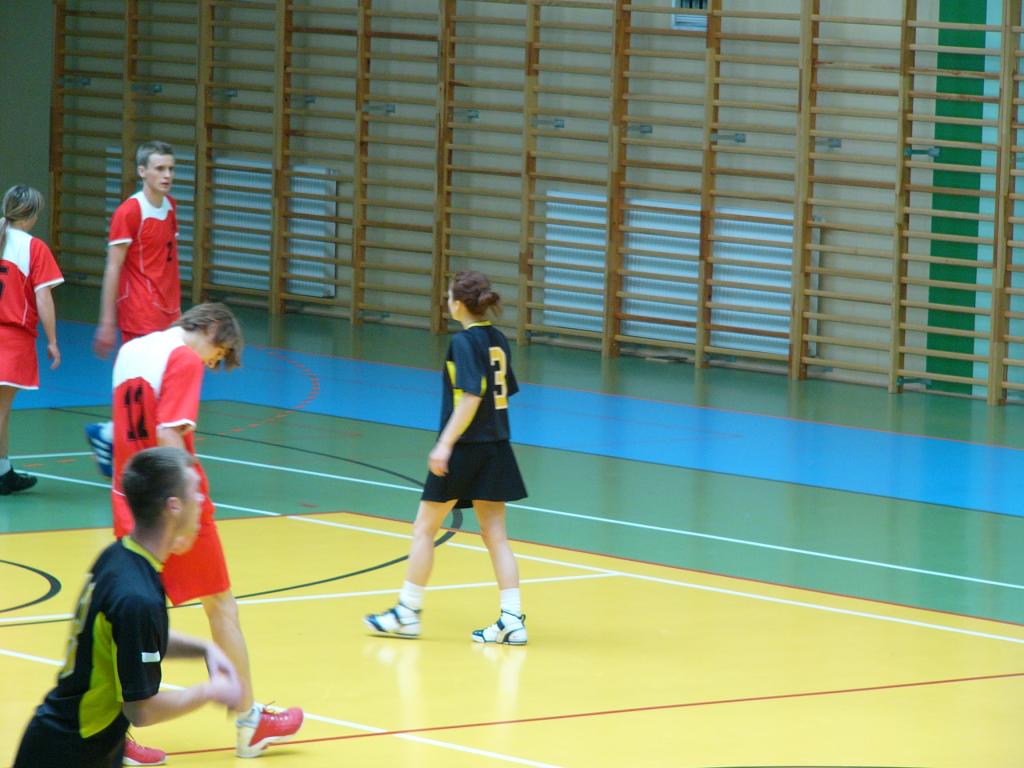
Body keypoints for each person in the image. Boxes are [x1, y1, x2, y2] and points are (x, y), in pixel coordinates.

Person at [110, 302, 303, 764]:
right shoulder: (182, 357)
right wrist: (188, 510)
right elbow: (169, 437)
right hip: (171, 503)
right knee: (221, 606)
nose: (212, 364)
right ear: (213, 328)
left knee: (128, 620)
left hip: (127, 496)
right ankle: (250, 723)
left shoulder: (131, 350)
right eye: (218, 354)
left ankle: (111, 734)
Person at [13, 447, 243, 768]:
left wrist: (203, 648)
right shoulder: (137, 596)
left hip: (84, 744)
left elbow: (127, 639)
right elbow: (141, 710)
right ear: (173, 507)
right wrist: (211, 691)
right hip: (70, 752)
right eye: (196, 492)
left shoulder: (122, 557)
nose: (202, 500)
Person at [365, 270, 529, 645]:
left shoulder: (464, 342)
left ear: (457, 304)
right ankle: (512, 620)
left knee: (424, 529)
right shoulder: (498, 339)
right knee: (496, 536)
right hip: (497, 445)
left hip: (465, 448)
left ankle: (407, 613)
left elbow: (472, 395)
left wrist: (445, 444)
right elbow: (504, 391)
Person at [87, 140, 181, 479]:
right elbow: (113, 267)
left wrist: (178, 313)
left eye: (170, 168)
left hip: (168, 313)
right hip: (139, 313)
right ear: (142, 171)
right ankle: (123, 445)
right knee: (143, 388)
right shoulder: (129, 212)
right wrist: (106, 321)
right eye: (159, 168)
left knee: (163, 388)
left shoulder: (170, 206)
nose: (167, 175)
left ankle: (109, 434)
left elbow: (167, 262)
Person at [0, 185, 62, 495]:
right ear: (33, 214)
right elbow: (43, 297)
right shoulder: (33, 247)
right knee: (1, 410)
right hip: (11, 339)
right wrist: (52, 340)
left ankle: (4, 472)